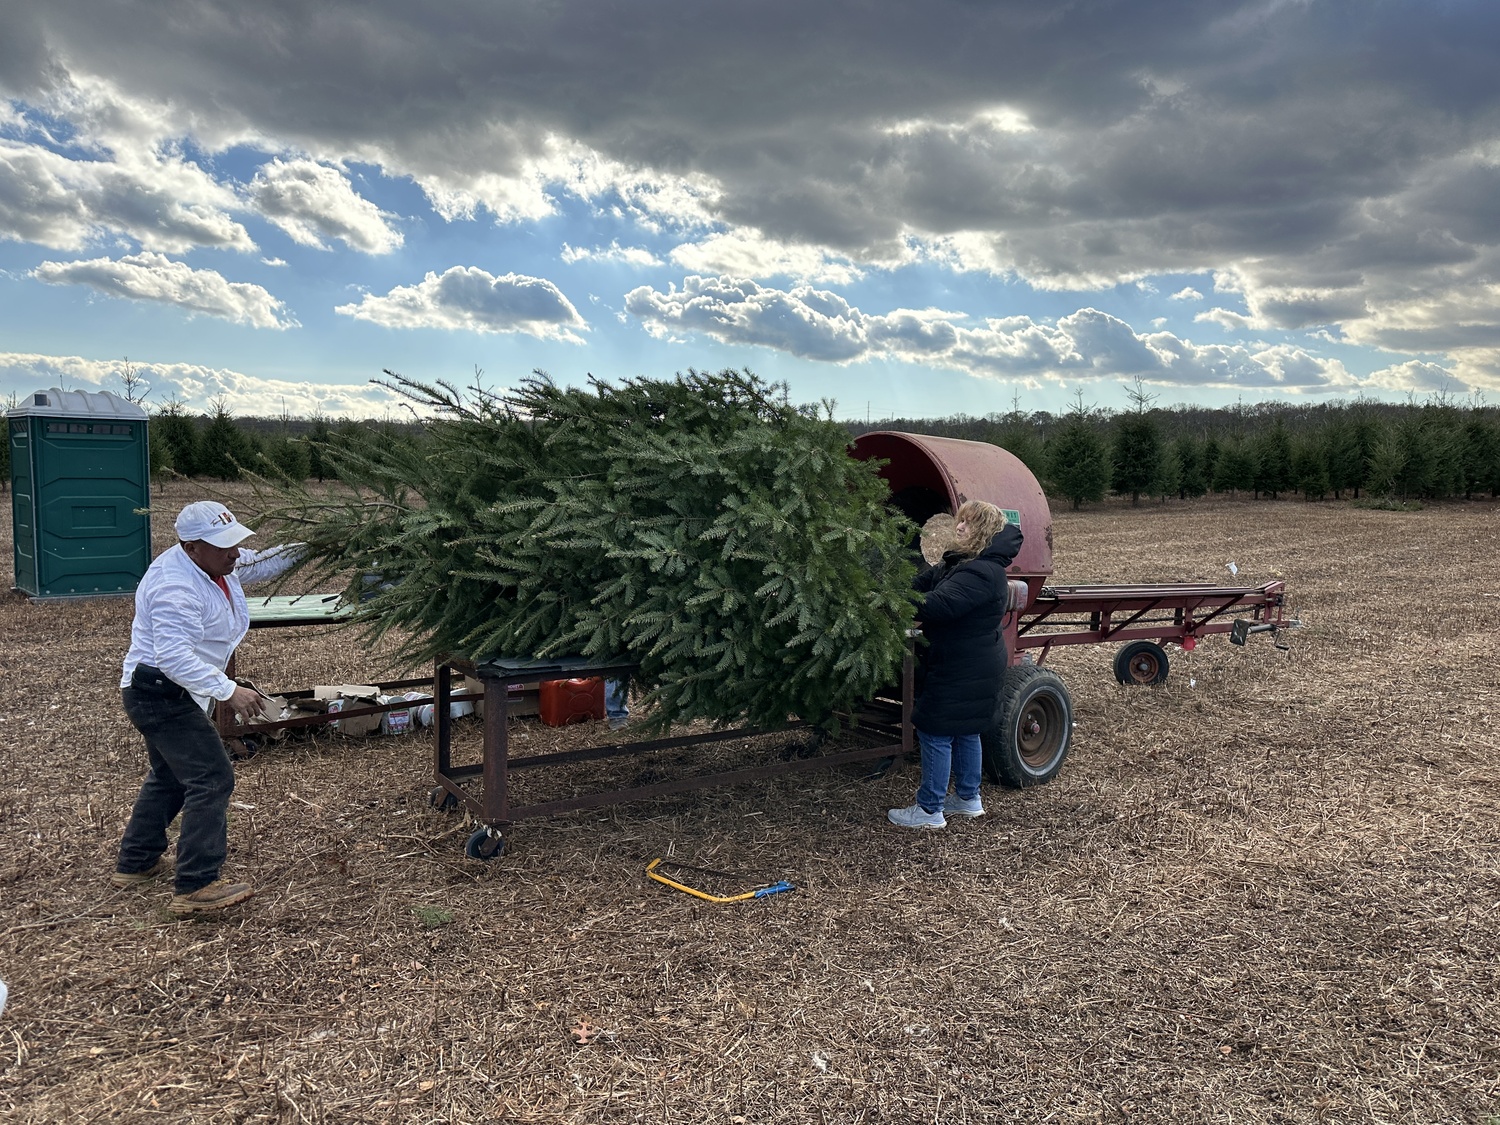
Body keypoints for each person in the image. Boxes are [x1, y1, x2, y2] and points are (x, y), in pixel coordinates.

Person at [114, 501, 301, 915]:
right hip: (158, 693)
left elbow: (263, 560)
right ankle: (196, 885)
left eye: (235, 542)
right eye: (224, 547)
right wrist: (228, 690)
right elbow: (174, 657)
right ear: (191, 546)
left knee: (170, 778)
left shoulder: (217, 564)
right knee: (213, 777)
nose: (235, 553)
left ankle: (136, 862)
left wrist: (318, 545)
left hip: (174, 691)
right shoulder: (174, 587)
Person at [888, 499, 1023, 830]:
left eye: (968, 523)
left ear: (983, 533)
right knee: (966, 729)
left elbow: (937, 605)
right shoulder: (960, 563)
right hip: (972, 660)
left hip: (964, 665)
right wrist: (889, 587)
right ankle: (967, 798)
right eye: (959, 521)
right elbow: (923, 584)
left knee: (935, 728)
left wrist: (892, 602)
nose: (958, 527)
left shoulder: (981, 571)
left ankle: (930, 810)